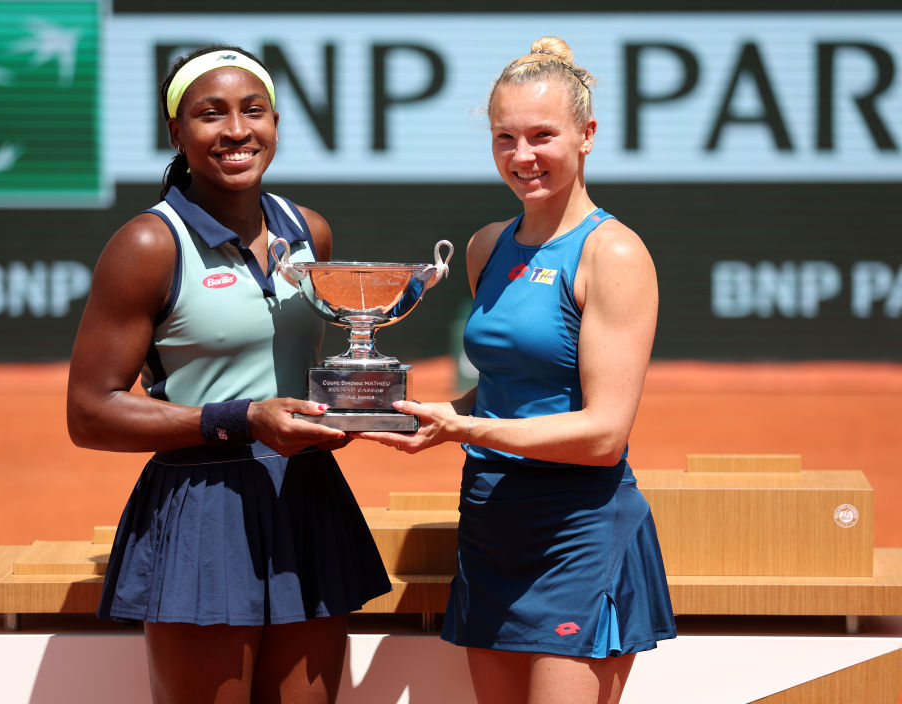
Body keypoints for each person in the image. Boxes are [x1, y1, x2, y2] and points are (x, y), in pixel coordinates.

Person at [355, 36, 677, 704]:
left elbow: (603, 434)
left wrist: (464, 429)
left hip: (577, 530)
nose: (522, 156)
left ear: (587, 136)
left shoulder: (613, 254)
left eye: (542, 135)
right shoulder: (485, 247)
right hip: (490, 523)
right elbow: (509, 386)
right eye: (505, 137)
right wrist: (434, 416)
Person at [66, 44, 391, 704]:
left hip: (307, 497)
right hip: (203, 506)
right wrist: (240, 419)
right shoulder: (148, 245)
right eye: (211, 114)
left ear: (275, 123)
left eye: (254, 110)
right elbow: (91, 413)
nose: (237, 130)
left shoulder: (310, 232)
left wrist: (346, 410)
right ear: (176, 133)